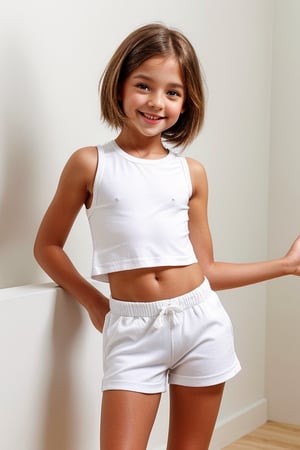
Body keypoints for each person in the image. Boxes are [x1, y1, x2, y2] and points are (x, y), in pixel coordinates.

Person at [34, 23, 300, 450]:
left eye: (173, 92)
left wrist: (285, 265)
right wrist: (93, 300)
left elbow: (207, 269)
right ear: (120, 86)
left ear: (186, 102)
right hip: (131, 330)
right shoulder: (89, 164)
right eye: (144, 85)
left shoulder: (190, 173)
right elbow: (46, 246)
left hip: (201, 324)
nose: (157, 102)